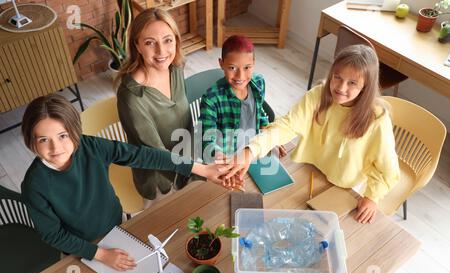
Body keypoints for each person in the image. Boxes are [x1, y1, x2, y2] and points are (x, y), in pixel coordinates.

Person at [20, 94, 233, 271]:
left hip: (118, 225)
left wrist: (201, 169)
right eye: (43, 140)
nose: (56, 147)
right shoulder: (34, 185)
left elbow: (144, 155)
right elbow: (53, 235)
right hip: (81, 247)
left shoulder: (91, 147)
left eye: (63, 135)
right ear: (31, 141)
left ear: (75, 132)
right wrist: (100, 254)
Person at [225, 45, 400, 224]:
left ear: (365, 86)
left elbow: (388, 169)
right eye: (337, 77)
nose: (340, 87)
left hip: (344, 184)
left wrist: (372, 197)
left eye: (352, 83)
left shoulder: (377, 119)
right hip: (311, 168)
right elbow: (287, 126)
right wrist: (250, 150)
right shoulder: (318, 95)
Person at [116, 8, 192, 205]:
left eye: (168, 40)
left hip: (191, 163)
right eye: (150, 43)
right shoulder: (131, 97)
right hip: (161, 180)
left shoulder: (175, 68)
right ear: (137, 46)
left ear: (176, 40)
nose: (161, 52)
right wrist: (200, 169)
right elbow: (157, 155)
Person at [199, 35, 286, 163]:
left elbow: (259, 113)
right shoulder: (211, 99)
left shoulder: (258, 83)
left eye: (247, 67)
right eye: (232, 68)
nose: (240, 76)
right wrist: (217, 153)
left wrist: (269, 139)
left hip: (253, 151)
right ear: (221, 64)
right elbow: (207, 137)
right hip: (228, 159)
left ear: (254, 64)